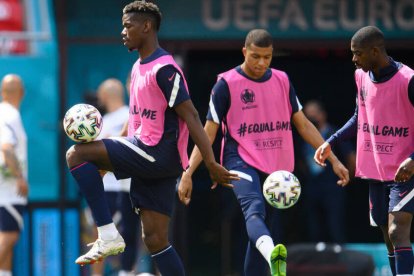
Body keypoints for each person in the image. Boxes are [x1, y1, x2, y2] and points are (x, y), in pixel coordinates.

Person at [65, 2, 238, 276]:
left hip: (156, 153)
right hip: (147, 154)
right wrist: (107, 159)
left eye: (128, 25)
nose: (123, 31)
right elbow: (134, 122)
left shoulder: (165, 69)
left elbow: (192, 116)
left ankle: (108, 235)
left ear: (146, 27)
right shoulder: (137, 68)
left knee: (76, 154)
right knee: (155, 240)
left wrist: (210, 162)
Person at [178, 29, 350, 276]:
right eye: (255, 56)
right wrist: (188, 172)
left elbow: (302, 124)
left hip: (275, 165)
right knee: (253, 208)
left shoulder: (282, 80)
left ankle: (268, 255)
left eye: (267, 57)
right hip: (239, 160)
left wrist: (333, 158)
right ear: (244, 51)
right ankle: (273, 254)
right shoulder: (226, 84)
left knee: (259, 232)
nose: (261, 63)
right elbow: (208, 133)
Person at [315, 26, 414, 276]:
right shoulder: (361, 77)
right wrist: (331, 141)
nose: (353, 59)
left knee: (397, 230)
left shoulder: (408, 79)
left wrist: (413, 160)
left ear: (375, 51)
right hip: (375, 169)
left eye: (357, 54)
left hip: (403, 170)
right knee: (386, 233)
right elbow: (361, 117)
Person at [299, 100, 356, 243]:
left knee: (334, 225)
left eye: (314, 114)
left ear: (323, 114)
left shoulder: (334, 134)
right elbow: (299, 159)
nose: (311, 117)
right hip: (312, 186)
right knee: (313, 227)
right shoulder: (302, 136)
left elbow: (351, 157)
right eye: (308, 115)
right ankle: (316, 259)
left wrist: (349, 177)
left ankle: (339, 257)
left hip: (333, 185)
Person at [0, 74, 28, 276]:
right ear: (22, 92)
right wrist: (19, 177)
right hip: (8, 189)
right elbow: (7, 149)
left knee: (5, 235)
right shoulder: (9, 114)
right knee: (10, 235)